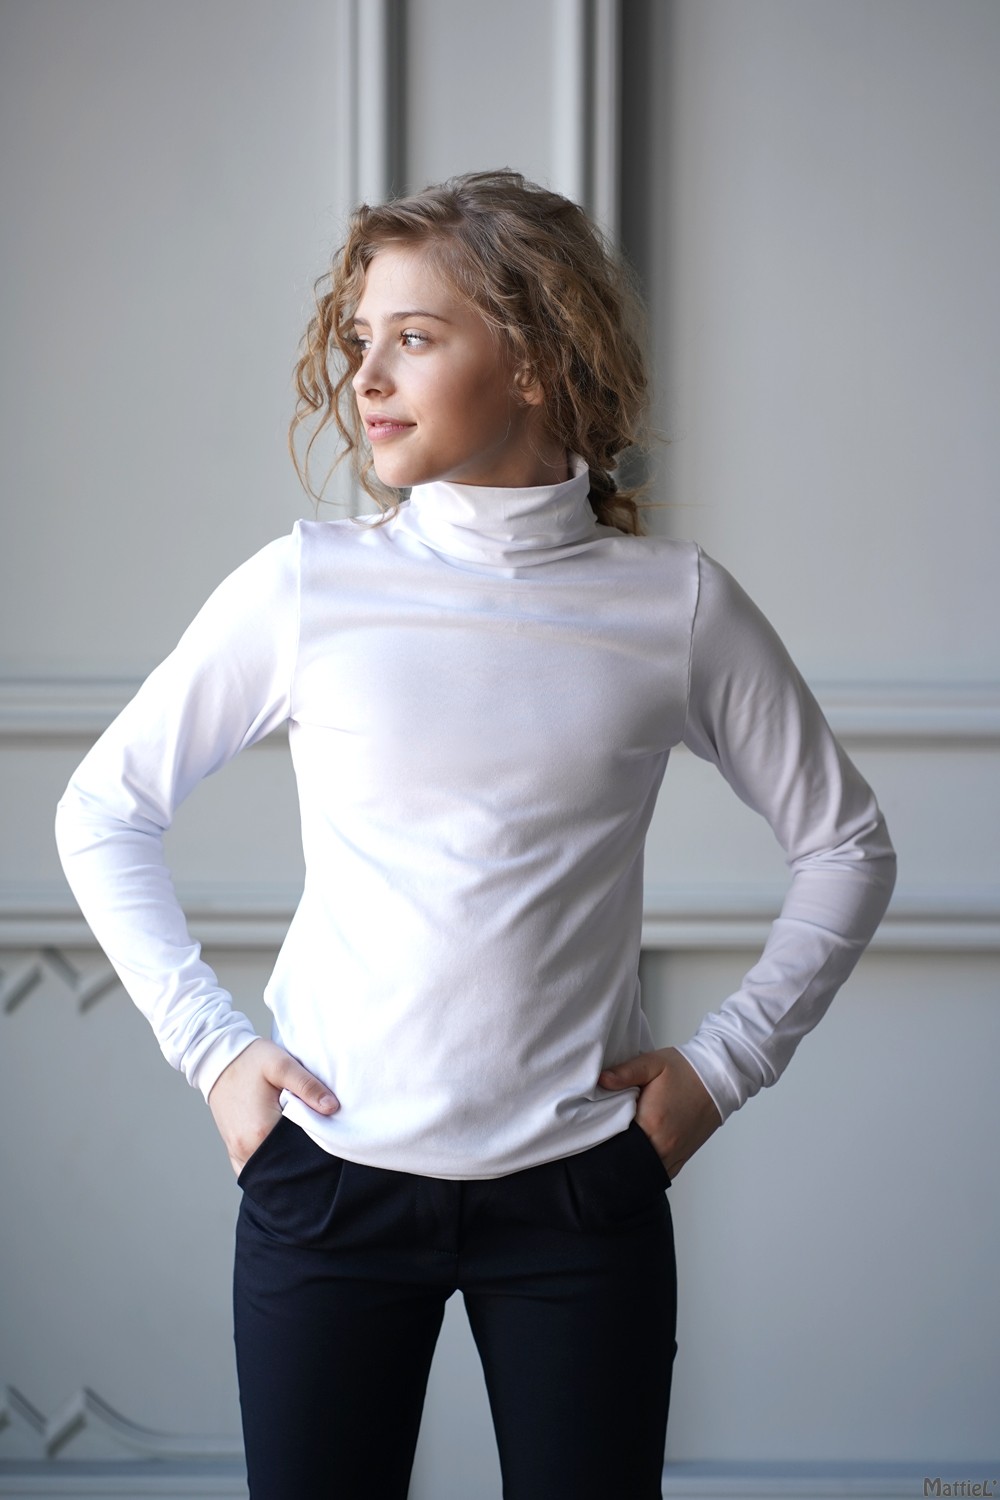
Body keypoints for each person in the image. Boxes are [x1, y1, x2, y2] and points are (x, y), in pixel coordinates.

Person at [55, 169, 896, 1500]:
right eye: (360, 339)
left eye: (415, 337)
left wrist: (724, 1068)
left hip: (579, 1198)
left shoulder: (674, 605)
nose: (367, 377)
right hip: (327, 1183)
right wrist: (213, 1052)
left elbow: (848, 847)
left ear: (536, 363)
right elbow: (102, 809)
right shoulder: (308, 586)